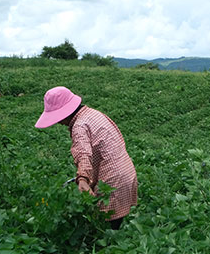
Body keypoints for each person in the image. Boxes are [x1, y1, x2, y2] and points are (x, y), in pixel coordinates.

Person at [35, 86, 137, 229]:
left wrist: (82, 178)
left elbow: (83, 154)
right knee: (115, 226)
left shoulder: (79, 126)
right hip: (127, 172)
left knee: (103, 228)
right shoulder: (93, 113)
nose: (58, 122)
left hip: (112, 181)